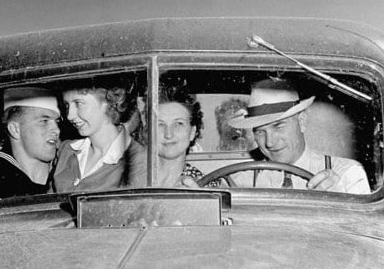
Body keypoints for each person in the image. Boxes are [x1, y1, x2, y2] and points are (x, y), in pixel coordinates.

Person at [227, 78, 371, 194]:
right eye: (259, 131)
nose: (270, 142)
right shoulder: (243, 181)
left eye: (278, 126)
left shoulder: (346, 175)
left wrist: (341, 201)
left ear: (302, 121)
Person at [52, 83, 146, 192]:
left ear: (108, 103)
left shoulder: (137, 161)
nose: (69, 116)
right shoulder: (66, 150)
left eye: (78, 103)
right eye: (67, 105)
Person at [157, 84, 207, 187]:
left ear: (192, 132)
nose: (168, 134)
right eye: (160, 124)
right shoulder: (132, 179)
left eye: (178, 124)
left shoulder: (205, 185)